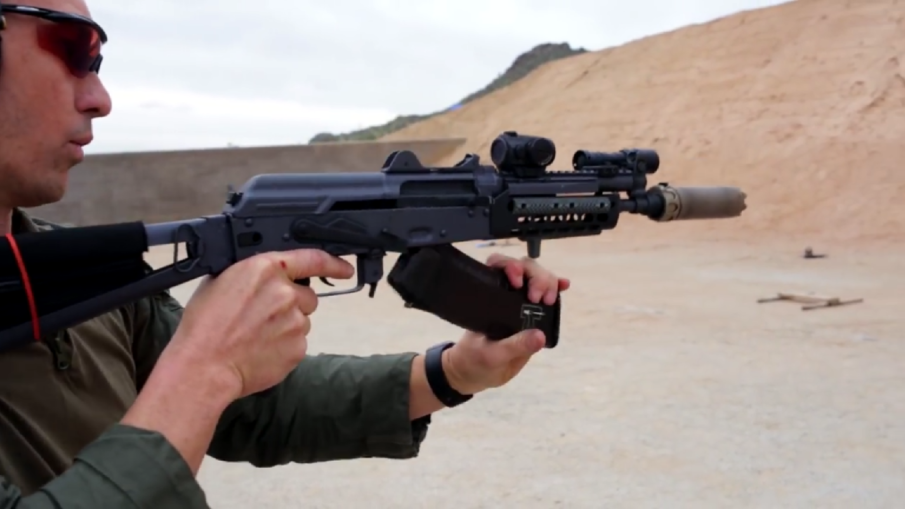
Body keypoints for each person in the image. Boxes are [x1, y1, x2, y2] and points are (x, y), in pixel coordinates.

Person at [0, 1, 571, 507]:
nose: (99, 98)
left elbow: (250, 407)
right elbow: (201, 388)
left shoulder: (73, 270)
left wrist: (453, 373)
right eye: (75, 48)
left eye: (98, 63)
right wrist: (204, 367)